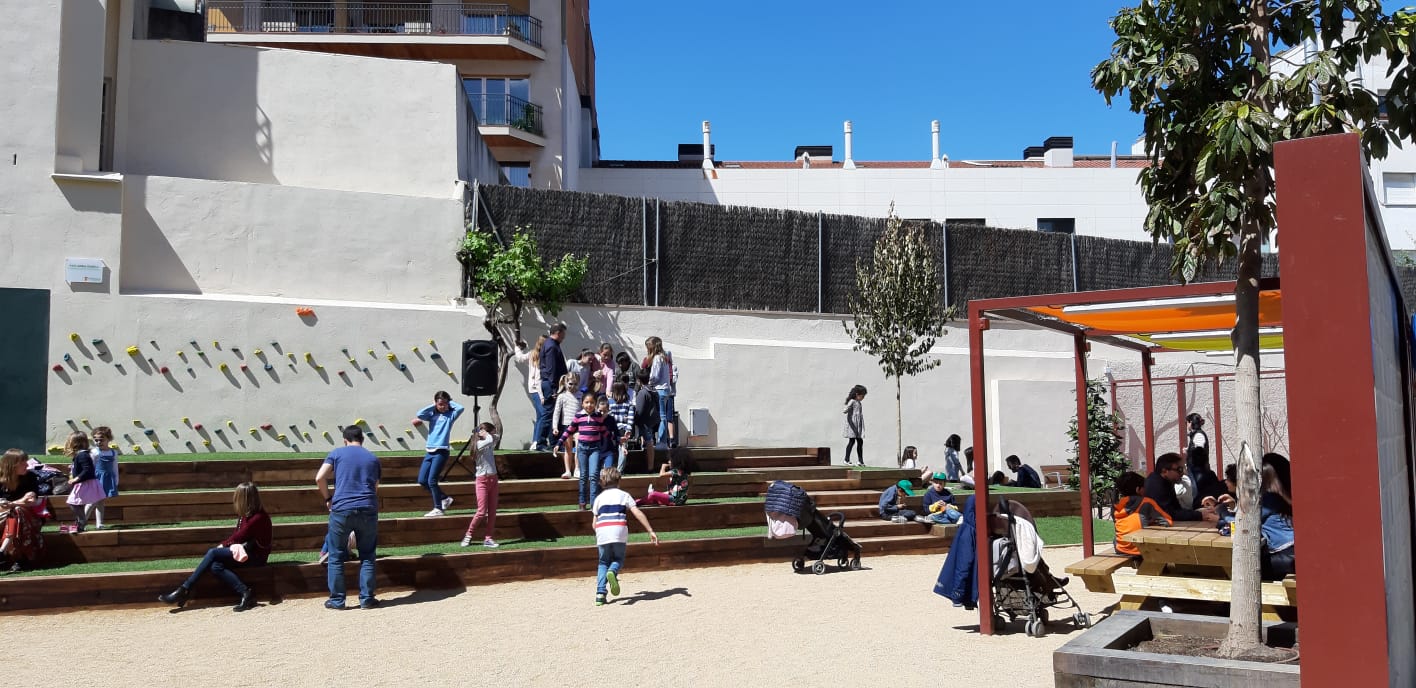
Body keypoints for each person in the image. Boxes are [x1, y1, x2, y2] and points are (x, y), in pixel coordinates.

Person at [158, 482, 271, 611]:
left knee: (212, 553)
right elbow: (237, 536)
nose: (234, 500)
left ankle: (184, 589)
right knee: (215, 566)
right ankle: (246, 592)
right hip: (247, 553)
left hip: (257, 558)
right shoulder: (246, 515)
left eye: (237, 496)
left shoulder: (258, 518)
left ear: (244, 499)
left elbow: (238, 537)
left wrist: (221, 546)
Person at [316, 425, 382, 610]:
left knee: (336, 555)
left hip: (342, 508)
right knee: (367, 555)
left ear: (345, 440)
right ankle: (367, 599)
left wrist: (328, 498)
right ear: (362, 439)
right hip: (367, 508)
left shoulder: (337, 453)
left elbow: (319, 477)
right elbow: (375, 487)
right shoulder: (373, 458)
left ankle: (337, 600)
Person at [591, 467, 659, 606]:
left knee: (603, 562)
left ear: (602, 482)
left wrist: (599, 533)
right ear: (619, 481)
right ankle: (613, 571)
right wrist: (650, 530)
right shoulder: (624, 495)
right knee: (618, 559)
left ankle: (600, 594)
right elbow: (637, 513)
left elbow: (594, 523)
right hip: (619, 531)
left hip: (602, 531)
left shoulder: (598, 498)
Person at [559, 394, 617, 510]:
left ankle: (594, 504)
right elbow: (569, 430)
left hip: (595, 449)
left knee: (594, 476)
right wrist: (559, 442)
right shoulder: (579, 416)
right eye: (586, 402)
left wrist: (617, 439)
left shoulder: (598, 417)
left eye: (591, 402)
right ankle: (582, 503)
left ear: (595, 404)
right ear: (582, 403)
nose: (589, 405)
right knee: (583, 476)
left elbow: (604, 431)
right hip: (582, 449)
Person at [415, 390, 464, 517]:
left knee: (432, 480)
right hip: (429, 451)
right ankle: (444, 498)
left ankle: (438, 508)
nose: (443, 406)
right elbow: (419, 414)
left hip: (441, 451)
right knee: (422, 480)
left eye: (445, 404)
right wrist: (435, 404)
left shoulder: (450, 415)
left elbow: (461, 408)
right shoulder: (431, 415)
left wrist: (448, 401)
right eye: (440, 404)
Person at [0, 449, 44, 572]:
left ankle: (4, 552)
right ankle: (17, 558)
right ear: (11, 464)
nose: (27, 465)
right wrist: (17, 503)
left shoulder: (30, 477)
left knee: (18, 511)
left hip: (29, 519)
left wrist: (10, 504)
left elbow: (31, 501)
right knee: (16, 511)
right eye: (23, 462)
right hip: (3, 518)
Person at [934, 494, 980, 608]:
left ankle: (963, 596)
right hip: (969, 537)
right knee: (964, 565)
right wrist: (957, 594)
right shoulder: (970, 531)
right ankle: (959, 595)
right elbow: (963, 565)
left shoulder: (969, 527)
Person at [460, 422, 501, 549]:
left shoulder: (489, 442)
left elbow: (497, 436)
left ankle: (488, 538)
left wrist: (484, 431)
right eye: (491, 432)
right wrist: (483, 432)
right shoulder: (479, 444)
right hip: (482, 481)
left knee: (492, 511)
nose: (493, 434)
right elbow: (490, 439)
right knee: (481, 511)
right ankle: (468, 534)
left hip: (493, 480)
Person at [1144, 452, 1218, 522]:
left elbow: (1176, 509)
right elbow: (1169, 514)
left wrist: (1198, 512)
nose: (1183, 473)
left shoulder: (1165, 481)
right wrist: (1199, 515)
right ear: (1164, 471)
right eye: (1179, 469)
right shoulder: (1157, 486)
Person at [1112, 471, 1172, 557]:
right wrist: (1152, 522)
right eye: (1144, 487)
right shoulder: (1146, 502)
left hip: (1120, 549)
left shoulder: (1115, 506)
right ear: (1138, 489)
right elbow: (1167, 521)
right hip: (1141, 550)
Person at [1258, 452, 1295, 580]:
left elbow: (1245, 520)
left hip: (1284, 554)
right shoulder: (1291, 493)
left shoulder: (1268, 499)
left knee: (1250, 566)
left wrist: (1221, 513)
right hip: (1296, 551)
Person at [535, 323, 570, 450]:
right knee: (549, 414)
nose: (564, 337)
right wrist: (555, 388)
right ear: (558, 332)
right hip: (551, 385)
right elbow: (551, 369)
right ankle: (541, 443)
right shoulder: (551, 347)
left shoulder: (551, 345)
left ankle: (554, 442)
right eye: (563, 334)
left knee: (554, 414)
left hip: (552, 384)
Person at [63, 431, 104, 533]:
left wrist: (76, 478)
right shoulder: (81, 455)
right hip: (84, 483)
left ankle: (82, 521)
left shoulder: (82, 455)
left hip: (85, 483)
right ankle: (80, 524)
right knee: (76, 503)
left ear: (75, 443)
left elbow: (87, 469)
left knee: (73, 503)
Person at [646, 336, 679, 449]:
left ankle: (661, 441)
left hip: (659, 389)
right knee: (663, 416)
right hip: (666, 389)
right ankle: (664, 441)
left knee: (661, 417)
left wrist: (648, 382)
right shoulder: (664, 357)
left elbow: (655, 375)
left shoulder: (657, 358)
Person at [516, 335, 548, 450]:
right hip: (536, 389)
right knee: (543, 414)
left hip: (536, 388)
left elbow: (519, 358)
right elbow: (538, 378)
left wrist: (517, 348)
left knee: (540, 416)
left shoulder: (534, 354)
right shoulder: (535, 355)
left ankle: (535, 441)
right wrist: (517, 347)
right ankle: (537, 441)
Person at [89, 426, 119, 529]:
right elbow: (90, 467)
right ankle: (81, 522)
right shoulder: (94, 452)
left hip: (107, 480)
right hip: (96, 479)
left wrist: (116, 480)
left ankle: (100, 523)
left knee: (101, 501)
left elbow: (115, 467)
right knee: (92, 501)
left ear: (109, 439)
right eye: (96, 440)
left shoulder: (113, 452)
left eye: (101, 440)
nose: (98, 442)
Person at [554, 372, 582, 479]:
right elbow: (557, 412)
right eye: (570, 384)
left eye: (575, 384)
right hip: (566, 425)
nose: (572, 386)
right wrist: (555, 427)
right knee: (568, 449)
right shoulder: (562, 396)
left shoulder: (580, 395)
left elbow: (583, 410)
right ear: (565, 383)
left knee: (579, 446)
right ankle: (567, 470)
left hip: (579, 425)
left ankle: (577, 469)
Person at [607, 382, 636, 472]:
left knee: (612, 449)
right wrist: (628, 428)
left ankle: (610, 469)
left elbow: (610, 417)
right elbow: (631, 418)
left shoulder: (609, 402)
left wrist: (617, 418)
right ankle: (619, 470)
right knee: (623, 449)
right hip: (624, 429)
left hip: (612, 429)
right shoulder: (629, 403)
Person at [633, 368, 660, 463]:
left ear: (639, 380)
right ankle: (648, 463)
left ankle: (650, 466)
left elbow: (639, 410)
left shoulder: (642, 393)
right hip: (653, 420)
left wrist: (635, 420)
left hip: (644, 422)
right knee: (648, 441)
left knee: (648, 442)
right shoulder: (654, 391)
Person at [842, 384, 867, 466]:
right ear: (857, 394)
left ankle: (860, 461)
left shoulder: (859, 403)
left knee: (860, 442)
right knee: (852, 441)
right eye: (862, 396)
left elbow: (859, 417)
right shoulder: (852, 401)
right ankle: (846, 459)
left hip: (857, 427)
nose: (863, 398)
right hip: (852, 426)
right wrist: (845, 410)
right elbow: (847, 408)